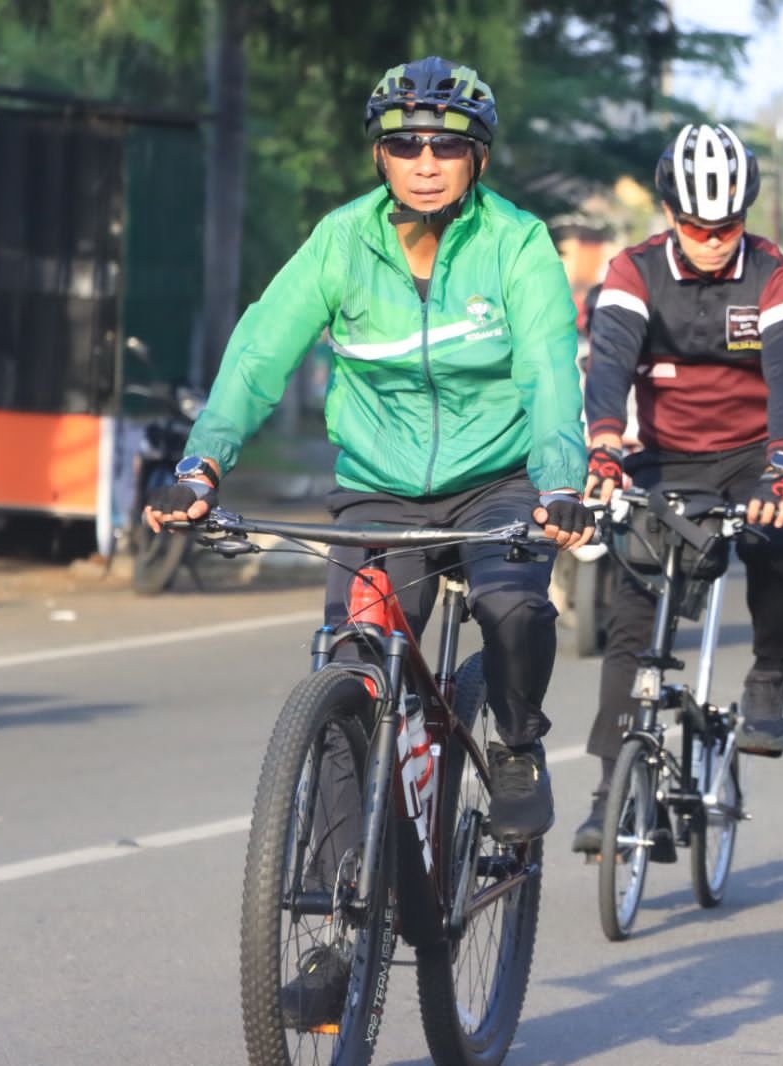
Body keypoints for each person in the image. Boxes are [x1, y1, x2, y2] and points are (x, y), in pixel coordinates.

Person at [146, 57, 593, 853]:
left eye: (446, 147)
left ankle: (518, 745)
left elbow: (550, 370)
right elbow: (259, 353)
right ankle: (335, 905)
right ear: (380, 155)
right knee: (352, 675)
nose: (426, 163)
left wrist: (561, 484)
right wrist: (200, 466)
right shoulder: (341, 241)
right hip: (379, 492)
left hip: (501, 482)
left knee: (514, 608)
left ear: (477, 157)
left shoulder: (517, 241)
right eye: (407, 144)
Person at [572, 122, 783, 853]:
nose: (712, 239)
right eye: (696, 226)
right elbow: (610, 359)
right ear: (670, 215)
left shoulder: (777, 275)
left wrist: (782, 467)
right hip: (662, 455)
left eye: (727, 226)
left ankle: (769, 672)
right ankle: (608, 790)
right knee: (632, 614)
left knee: (778, 534)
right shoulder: (631, 270)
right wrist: (606, 439)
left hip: (752, 451)